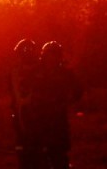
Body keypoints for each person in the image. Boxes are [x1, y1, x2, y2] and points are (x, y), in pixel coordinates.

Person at [31, 41, 82, 169]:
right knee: (40, 151)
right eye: (49, 55)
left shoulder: (65, 73)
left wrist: (67, 101)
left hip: (58, 117)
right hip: (39, 117)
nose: (51, 58)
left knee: (59, 151)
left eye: (55, 55)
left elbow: (78, 90)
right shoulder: (36, 72)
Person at [8, 38, 41, 169]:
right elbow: (13, 93)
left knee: (39, 149)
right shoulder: (15, 72)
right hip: (21, 115)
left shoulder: (42, 70)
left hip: (40, 115)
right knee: (22, 148)